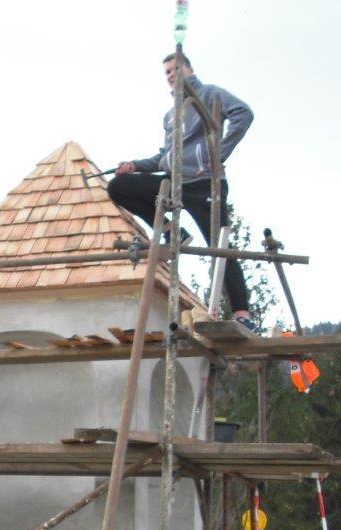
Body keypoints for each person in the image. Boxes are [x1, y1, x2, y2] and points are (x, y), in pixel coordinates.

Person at [108, 53, 257, 330]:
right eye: (166, 72)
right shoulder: (171, 115)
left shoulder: (209, 94)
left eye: (176, 69)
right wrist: (135, 166)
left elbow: (243, 114)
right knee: (118, 187)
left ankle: (242, 313)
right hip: (174, 183)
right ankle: (170, 230)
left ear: (190, 69)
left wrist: (217, 155)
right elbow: (165, 157)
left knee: (219, 246)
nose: (171, 75)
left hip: (203, 182)